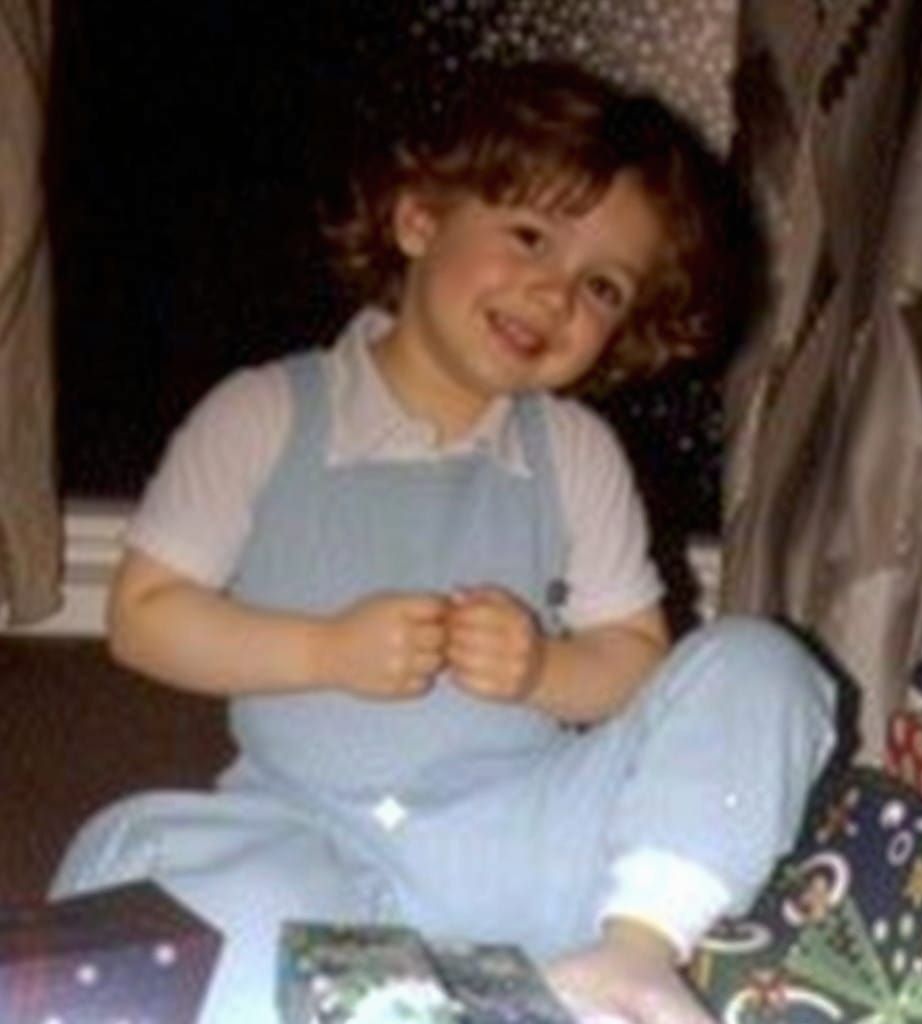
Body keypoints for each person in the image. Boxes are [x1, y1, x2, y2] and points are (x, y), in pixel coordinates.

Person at [52, 61, 837, 1024]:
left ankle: (631, 960)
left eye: (600, 286)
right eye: (529, 236)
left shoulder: (576, 450)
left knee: (762, 665)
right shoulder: (263, 411)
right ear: (420, 219)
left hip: (519, 842)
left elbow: (635, 663)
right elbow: (143, 619)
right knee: (162, 876)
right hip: (307, 832)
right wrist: (321, 650)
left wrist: (544, 668)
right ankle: (392, 999)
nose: (553, 293)